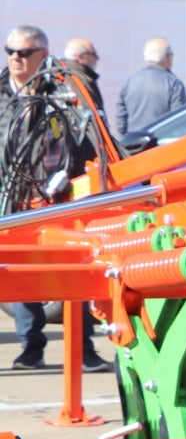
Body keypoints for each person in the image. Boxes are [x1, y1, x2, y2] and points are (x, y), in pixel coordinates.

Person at [1, 25, 109, 371]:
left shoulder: (64, 90)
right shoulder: (1, 92)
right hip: (10, 195)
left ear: (43, 56)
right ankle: (31, 347)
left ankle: (83, 350)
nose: (15, 58)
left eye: (23, 52)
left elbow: (90, 135)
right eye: (10, 51)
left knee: (71, 270)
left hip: (57, 195)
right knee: (17, 273)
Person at [117, 37, 186, 137]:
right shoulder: (174, 84)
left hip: (134, 145)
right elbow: (180, 122)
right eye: (171, 53)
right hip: (161, 145)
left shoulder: (130, 81)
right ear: (167, 56)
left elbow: (121, 121)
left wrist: (127, 139)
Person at [59, 39, 104, 114]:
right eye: (93, 53)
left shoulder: (60, 76)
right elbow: (92, 114)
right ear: (80, 57)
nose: (97, 57)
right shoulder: (82, 81)